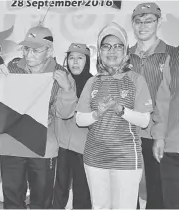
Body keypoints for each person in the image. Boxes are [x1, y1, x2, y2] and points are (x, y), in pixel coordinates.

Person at [0, 25, 77, 209]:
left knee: (42, 200)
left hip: (43, 146)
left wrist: (67, 89)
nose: (29, 54)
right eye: (26, 48)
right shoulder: (13, 67)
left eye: (36, 50)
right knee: (12, 199)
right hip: (12, 143)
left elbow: (65, 113)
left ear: (49, 51)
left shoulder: (61, 74)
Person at [76, 22, 153, 209]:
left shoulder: (136, 80)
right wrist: (97, 113)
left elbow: (144, 121)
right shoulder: (92, 82)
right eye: (106, 46)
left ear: (126, 52)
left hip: (126, 159)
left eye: (118, 46)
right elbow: (79, 119)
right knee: (99, 206)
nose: (112, 51)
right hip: (94, 158)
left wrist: (121, 110)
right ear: (100, 52)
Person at [129, 3, 177, 208]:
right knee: (128, 189)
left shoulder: (172, 55)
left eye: (149, 21)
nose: (143, 26)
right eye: (138, 21)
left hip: (156, 134)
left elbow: (168, 100)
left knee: (157, 191)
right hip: (127, 133)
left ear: (159, 22)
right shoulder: (124, 55)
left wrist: (160, 135)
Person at [52, 43, 92, 209]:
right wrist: (66, 88)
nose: (75, 62)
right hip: (60, 145)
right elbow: (59, 111)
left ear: (87, 61)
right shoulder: (59, 82)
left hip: (84, 149)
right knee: (58, 192)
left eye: (80, 58)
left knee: (82, 193)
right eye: (71, 58)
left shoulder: (94, 83)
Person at [151, 46, 179, 209]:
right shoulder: (174, 58)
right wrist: (159, 136)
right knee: (172, 203)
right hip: (172, 146)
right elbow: (163, 100)